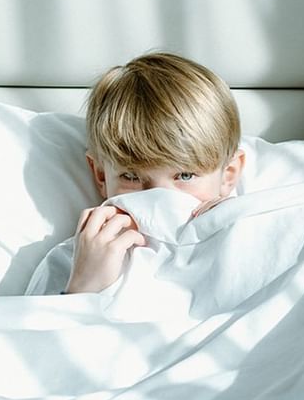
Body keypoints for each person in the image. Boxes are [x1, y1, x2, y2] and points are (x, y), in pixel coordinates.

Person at [55, 52, 246, 294]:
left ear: (228, 175)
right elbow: (27, 329)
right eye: (132, 177)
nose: (159, 199)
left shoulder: (252, 235)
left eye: (185, 176)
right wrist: (83, 287)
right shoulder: (75, 259)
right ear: (101, 176)